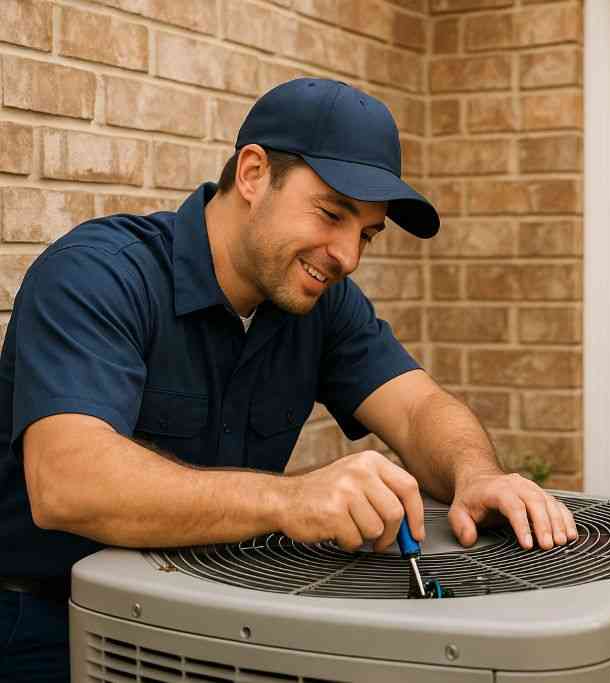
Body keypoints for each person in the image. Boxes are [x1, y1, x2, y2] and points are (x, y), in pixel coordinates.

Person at [0, 78, 577, 680]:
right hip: (49, 626)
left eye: (366, 234)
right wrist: (289, 498)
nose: (347, 256)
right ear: (252, 173)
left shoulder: (322, 302)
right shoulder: (100, 275)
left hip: (218, 621)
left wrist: (474, 474)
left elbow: (416, 407)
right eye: (332, 214)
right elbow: (67, 480)